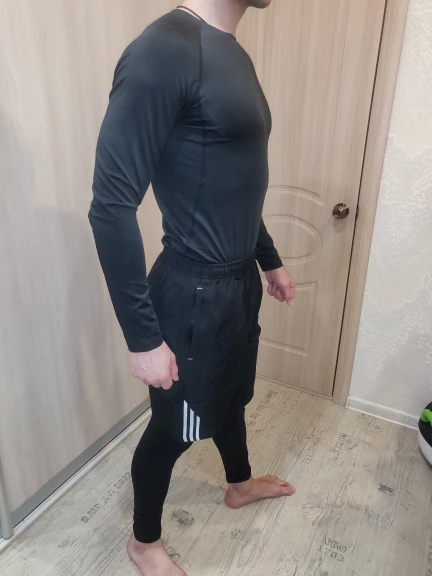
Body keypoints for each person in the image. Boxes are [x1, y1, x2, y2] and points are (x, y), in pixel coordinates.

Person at [89, 1, 296, 574]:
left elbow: (232, 186)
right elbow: (110, 207)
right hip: (192, 297)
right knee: (173, 430)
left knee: (232, 397)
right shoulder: (166, 49)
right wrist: (142, 339)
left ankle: (238, 483)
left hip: (238, 285)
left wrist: (269, 260)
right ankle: (143, 542)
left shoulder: (230, 51)